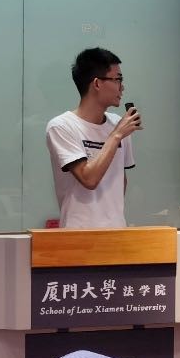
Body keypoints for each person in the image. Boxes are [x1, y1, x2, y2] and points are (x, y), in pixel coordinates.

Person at [45, 48, 142, 228]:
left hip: (117, 231)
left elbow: (121, 180)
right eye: (118, 79)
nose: (122, 87)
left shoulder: (117, 124)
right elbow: (89, 179)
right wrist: (116, 135)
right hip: (78, 232)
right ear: (97, 83)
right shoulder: (61, 126)